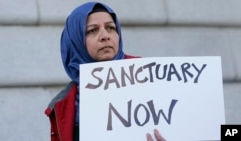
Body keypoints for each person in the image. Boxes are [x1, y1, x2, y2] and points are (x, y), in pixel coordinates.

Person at [44, 2, 165, 141]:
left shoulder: (151, 77)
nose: (105, 36)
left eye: (110, 28)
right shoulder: (63, 104)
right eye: (92, 30)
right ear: (76, 41)